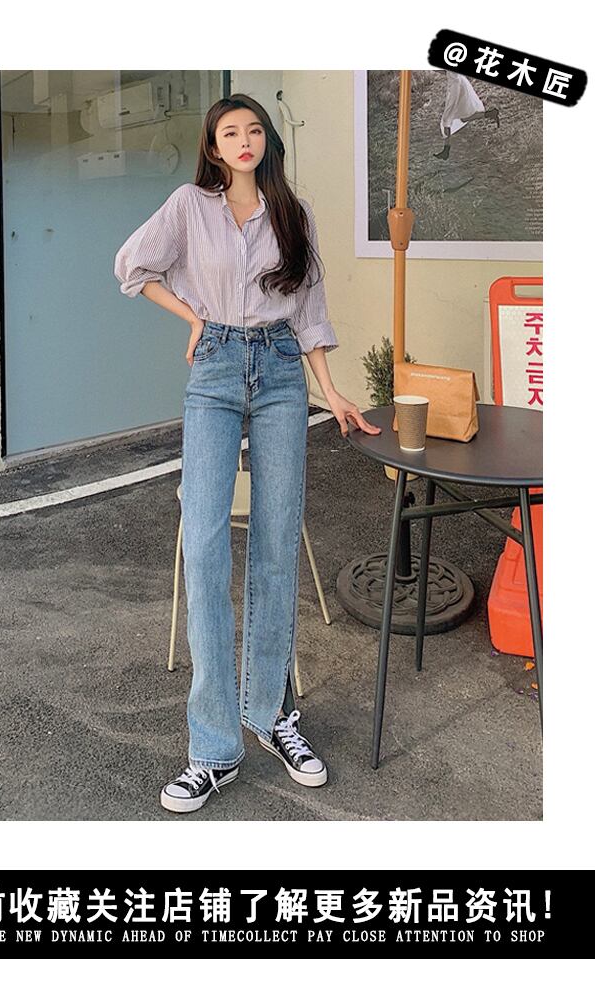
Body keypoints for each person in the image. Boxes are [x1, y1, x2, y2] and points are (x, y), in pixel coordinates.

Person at [114, 93, 381, 814]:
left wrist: (333, 392)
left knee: (275, 541)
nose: (243, 140)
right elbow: (133, 267)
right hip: (216, 370)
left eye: (254, 129)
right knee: (203, 540)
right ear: (212, 145)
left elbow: (310, 314)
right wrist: (193, 318)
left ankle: (271, 713)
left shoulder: (293, 213)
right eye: (230, 131)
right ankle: (212, 748)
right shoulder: (188, 206)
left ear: (266, 141)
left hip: (283, 374)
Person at [434, 71, 500, 160]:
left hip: (457, 87)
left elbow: (452, 100)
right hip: (460, 83)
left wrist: (447, 120)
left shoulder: (454, 82)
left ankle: (446, 150)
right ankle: (490, 114)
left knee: (447, 121)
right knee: (462, 118)